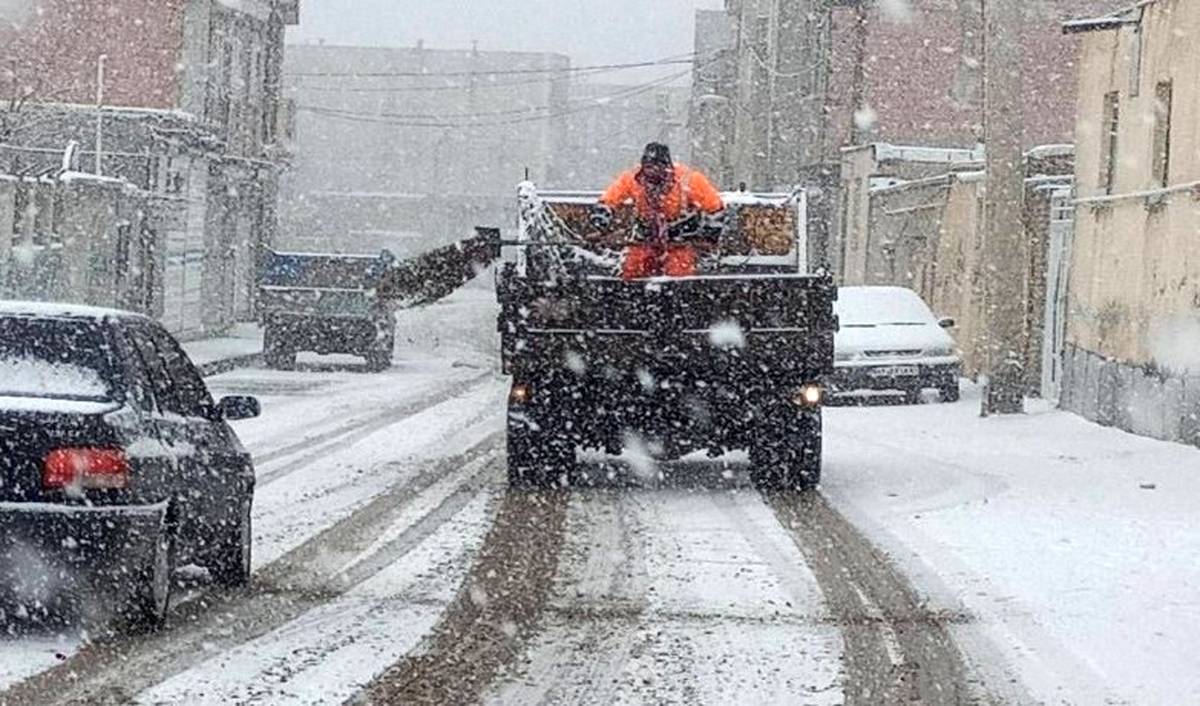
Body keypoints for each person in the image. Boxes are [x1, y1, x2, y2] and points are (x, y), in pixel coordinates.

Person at [592, 143, 725, 280]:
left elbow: (715, 207)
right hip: (644, 237)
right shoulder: (632, 178)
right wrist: (601, 219)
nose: (651, 172)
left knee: (679, 273)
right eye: (647, 167)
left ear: (667, 167)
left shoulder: (689, 180)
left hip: (682, 239)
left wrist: (709, 236)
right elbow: (609, 199)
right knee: (632, 270)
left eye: (656, 167)